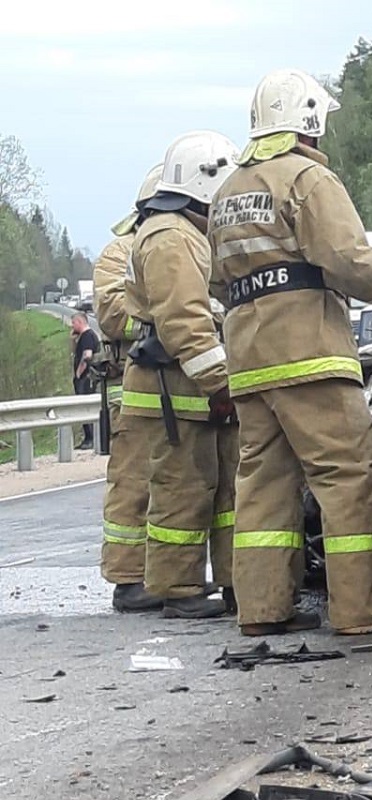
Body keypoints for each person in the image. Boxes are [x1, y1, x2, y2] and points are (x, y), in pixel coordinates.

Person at [208, 68, 372, 637]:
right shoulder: (308, 180)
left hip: (249, 361)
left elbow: (217, 280)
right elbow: (349, 260)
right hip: (309, 354)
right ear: (307, 120)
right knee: (348, 474)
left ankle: (260, 609)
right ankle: (361, 610)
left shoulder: (229, 191)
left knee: (262, 484)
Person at [122, 130, 240, 619]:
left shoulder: (179, 232)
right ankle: (179, 589)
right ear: (206, 183)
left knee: (216, 488)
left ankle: (234, 581)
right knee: (182, 488)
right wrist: (223, 385)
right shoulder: (172, 237)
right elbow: (186, 324)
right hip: (178, 387)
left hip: (183, 386)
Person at [92, 164, 162, 612]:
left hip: (180, 384)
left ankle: (174, 574)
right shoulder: (121, 252)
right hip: (131, 389)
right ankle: (127, 579)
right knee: (134, 483)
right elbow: (115, 314)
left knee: (182, 485)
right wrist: (167, 314)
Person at [70, 313, 100, 449]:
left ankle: (90, 439)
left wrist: (78, 373)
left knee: (84, 408)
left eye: (73, 323)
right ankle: (90, 438)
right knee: (84, 408)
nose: (72, 326)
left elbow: (87, 355)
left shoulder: (87, 336)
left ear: (79, 322)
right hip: (87, 378)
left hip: (85, 378)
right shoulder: (86, 336)